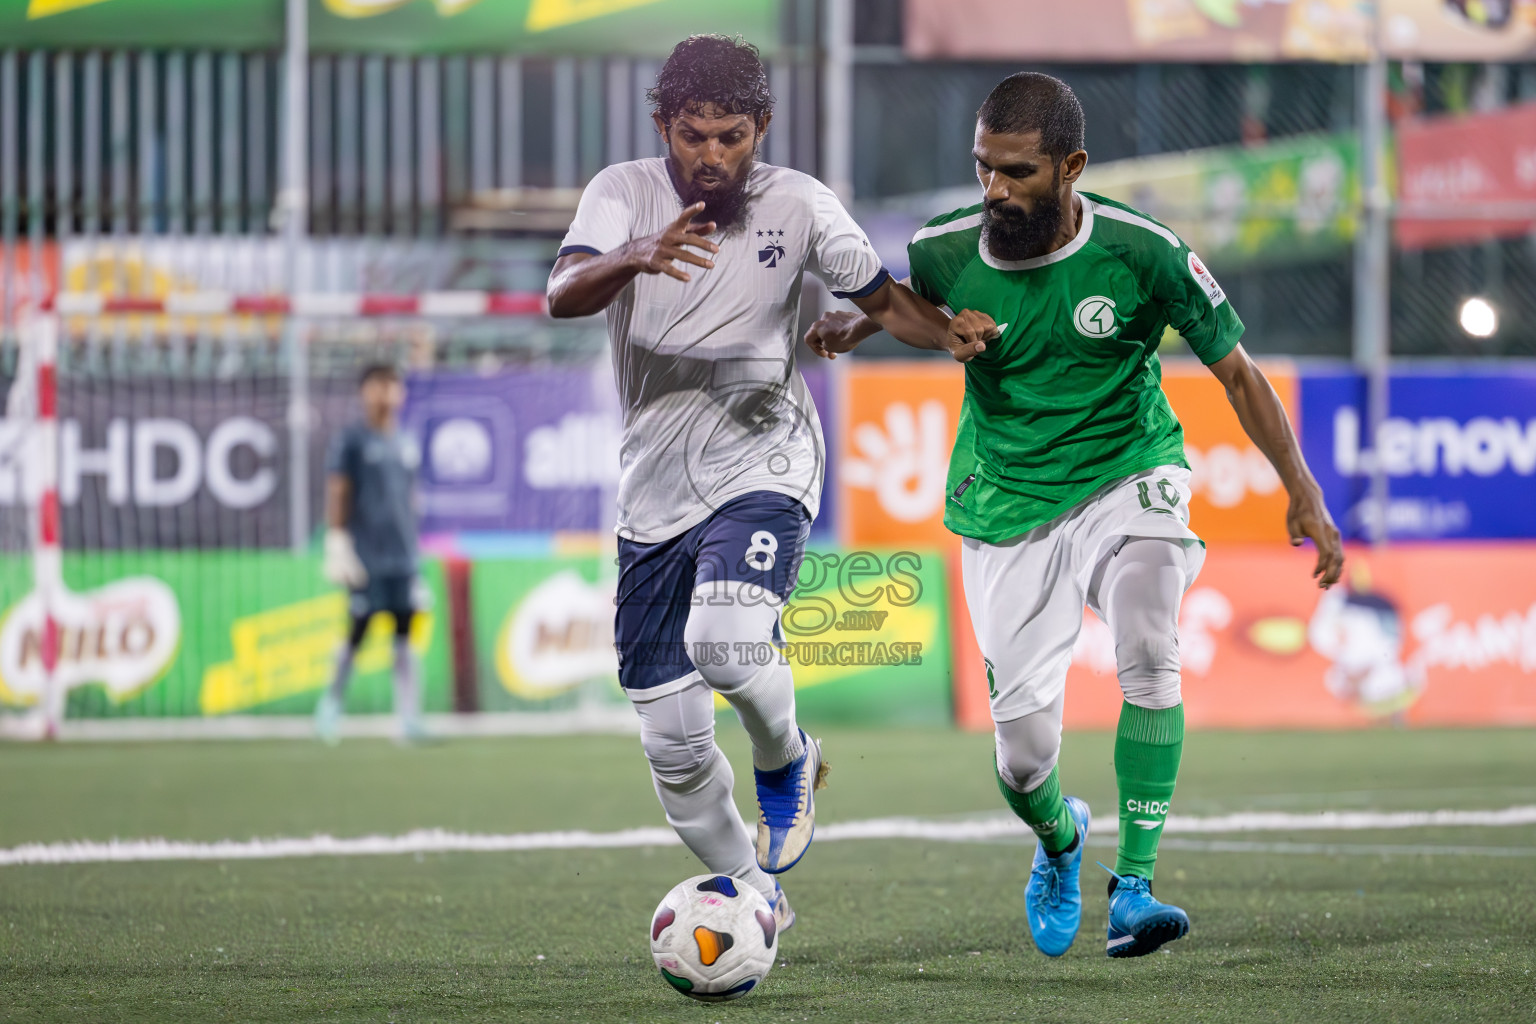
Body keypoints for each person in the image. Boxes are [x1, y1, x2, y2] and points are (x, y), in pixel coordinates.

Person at [805, 72, 1344, 958]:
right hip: (1009, 500)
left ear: (1071, 166)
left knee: (1148, 639)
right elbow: (906, 298)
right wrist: (858, 327)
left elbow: (1239, 374)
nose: (995, 190)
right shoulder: (950, 244)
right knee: (1021, 759)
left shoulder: (1144, 252)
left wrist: (1304, 491)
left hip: (1127, 472)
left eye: (1016, 172)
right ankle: (1060, 839)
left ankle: (1134, 888)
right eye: (983, 168)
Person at [546, 34, 993, 932]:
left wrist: (945, 333)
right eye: (693, 135)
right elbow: (561, 293)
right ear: (663, 125)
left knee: (725, 641)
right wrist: (632, 255)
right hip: (652, 491)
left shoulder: (800, 205)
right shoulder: (618, 193)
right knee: (671, 746)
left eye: (732, 136)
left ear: (763, 127)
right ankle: (754, 893)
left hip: (767, 459)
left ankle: (788, 761)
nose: (712, 156)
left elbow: (881, 301)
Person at [317, 363, 425, 745]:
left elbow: (409, 498)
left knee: (404, 636)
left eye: (392, 386)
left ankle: (409, 719)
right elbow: (339, 489)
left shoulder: (407, 442)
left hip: (404, 558)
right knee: (357, 633)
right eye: (378, 386)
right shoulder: (353, 440)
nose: (385, 393)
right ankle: (330, 707)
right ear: (365, 392)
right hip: (367, 557)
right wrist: (336, 538)